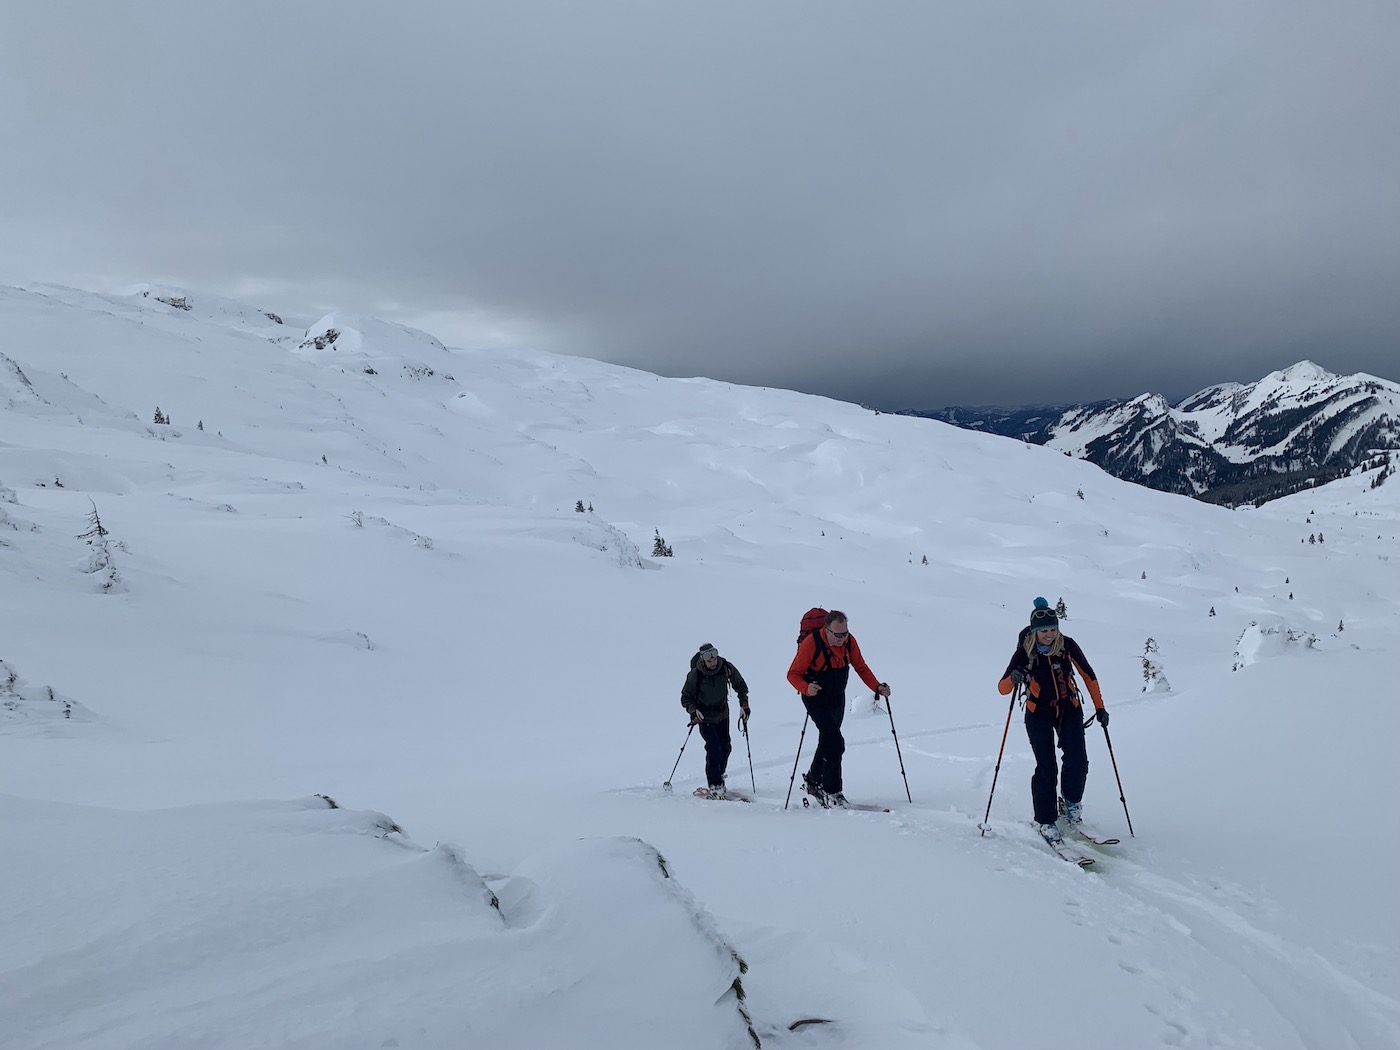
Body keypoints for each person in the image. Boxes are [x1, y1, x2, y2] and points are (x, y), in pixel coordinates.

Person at [997, 597, 1109, 844]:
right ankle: (1046, 820)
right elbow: (1002, 688)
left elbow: (1088, 675)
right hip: (1038, 713)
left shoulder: (1067, 645)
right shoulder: (1024, 653)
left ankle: (1071, 804)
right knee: (1046, 767)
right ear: (1034, 631)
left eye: (1053, 629)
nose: (1049, 635)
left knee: (1078, 761)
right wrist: (1014, 678)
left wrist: (1100, 707)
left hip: (1070, 708)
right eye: (1044, 630)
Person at [786, 609, 890, 808]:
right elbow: (792, 674)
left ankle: (813, 781)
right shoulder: (811, 643)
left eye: (845, 633)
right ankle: (832, 791)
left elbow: (860, 666)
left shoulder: (850, 641)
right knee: (835, 742)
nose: (842, 638)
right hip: (815, 696)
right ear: (826, 630)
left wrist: (876, 686)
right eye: (838, 634)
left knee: (828, 739)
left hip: (837, 696)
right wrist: (806, 688)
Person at [681, 643, 750, 799]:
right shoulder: (696, 674)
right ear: (703, 659)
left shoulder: (726, 667)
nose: (712, 661)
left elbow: (740, 685)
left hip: (722, 714)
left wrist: (744, 705)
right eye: (708, 658)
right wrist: (693, 710)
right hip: (704, 716)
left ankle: (719, 777)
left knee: (725, 747)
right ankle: (715, 785)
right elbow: (685, 697)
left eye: (714, 656)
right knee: (714, 749)